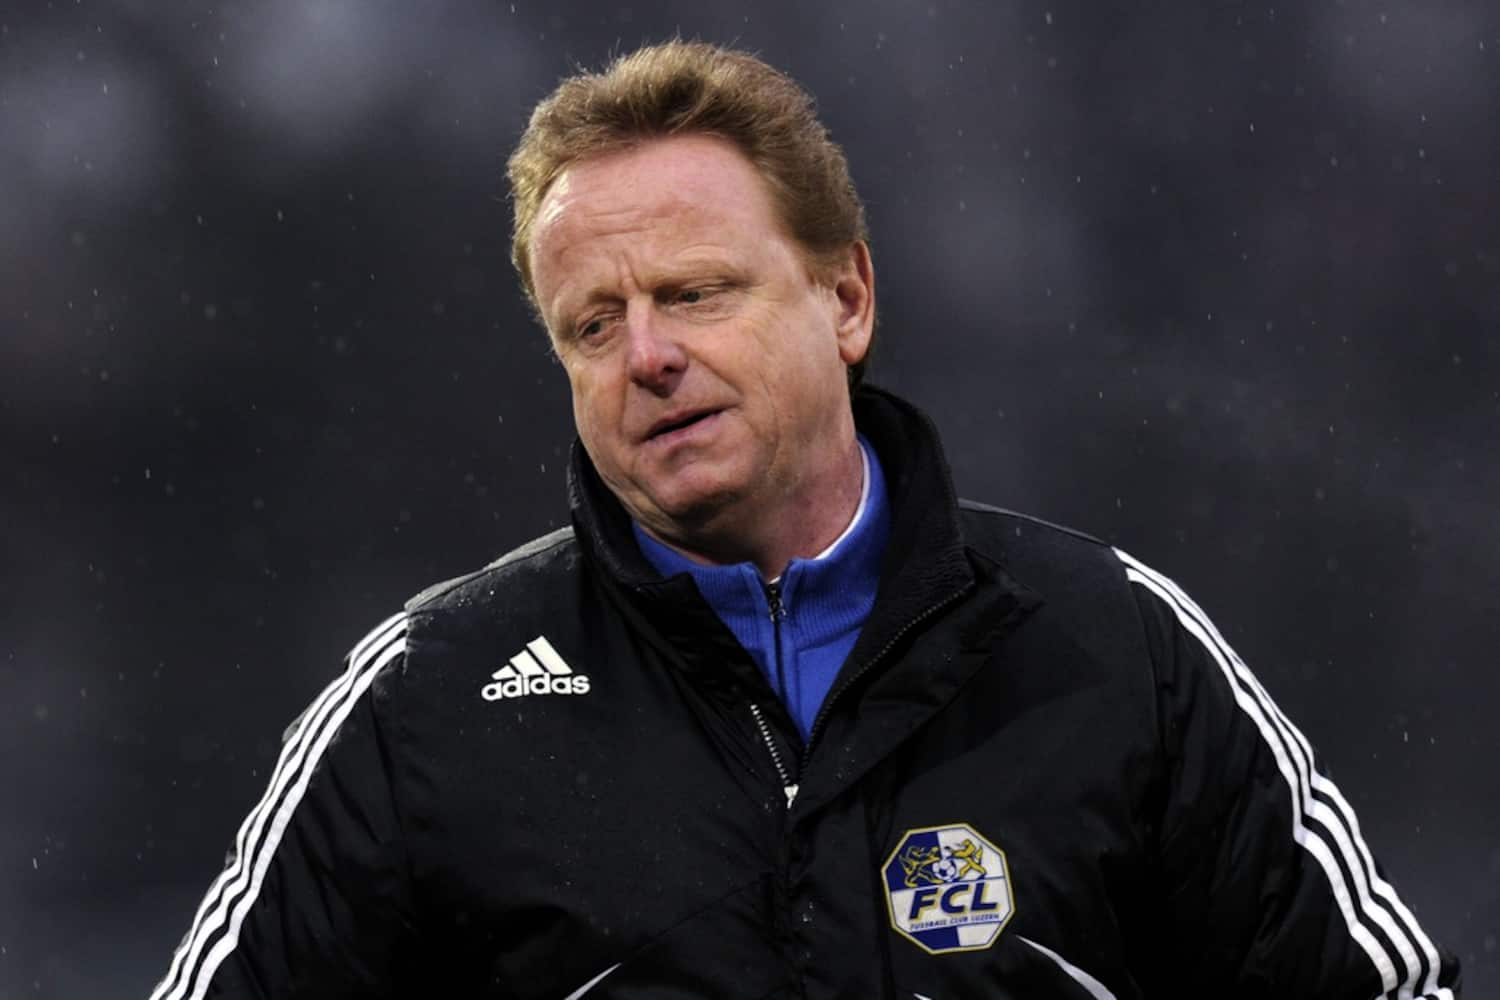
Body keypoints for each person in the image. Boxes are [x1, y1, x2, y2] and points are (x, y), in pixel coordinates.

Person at [150, 40, 1462, 999]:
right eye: (593, 325)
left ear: (846, 300)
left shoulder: (1116, 650)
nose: (647, 355)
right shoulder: (430, 704)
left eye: (695, 293)